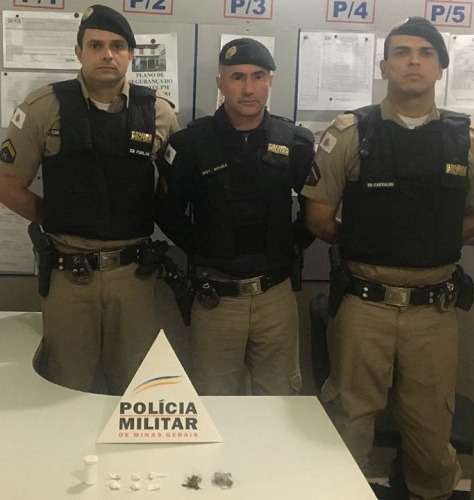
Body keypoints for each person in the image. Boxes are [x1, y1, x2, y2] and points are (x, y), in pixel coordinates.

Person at [302, 17, 474, 500]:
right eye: (402, 52)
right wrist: (376, 240)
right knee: (350, 422)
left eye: (426, 53)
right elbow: (319, 216)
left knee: (430, 431)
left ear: (441, 67)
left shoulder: (468, 141)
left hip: (434, 310)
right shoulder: (351, 133)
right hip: (365, 305)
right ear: (384, 65)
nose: (413, 61)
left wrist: (424, 241)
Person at [0, 4, 179, 395]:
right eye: (96, 45)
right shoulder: (43, 108)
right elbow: (7, 184)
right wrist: (53, 216)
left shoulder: (159, 113)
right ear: (79, 52)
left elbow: (174, 190)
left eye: (117, 46)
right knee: (66, 386)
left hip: (134, 277)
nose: (107, 54)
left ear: (131, 55)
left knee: (135, 389)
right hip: (70, 275)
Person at [155, 38, 314, 395]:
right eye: (237, 77)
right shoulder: (190, 144)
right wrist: (206, 247)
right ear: (220, 82)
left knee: (279, 401)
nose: (248, 88)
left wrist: (288, 245)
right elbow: (167, 211)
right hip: (216, 297)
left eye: (258, 76)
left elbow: (316, 210)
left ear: (270, 81)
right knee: (214, 401)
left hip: (275, 296)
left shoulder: (295, 141)